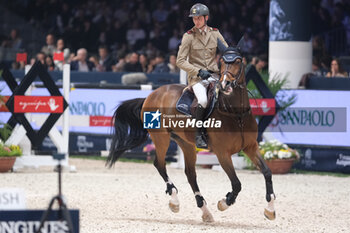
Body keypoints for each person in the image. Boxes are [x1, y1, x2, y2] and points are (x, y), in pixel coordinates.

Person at [176, 3, 228, 149]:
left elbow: (226, 51)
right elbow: (180, 61)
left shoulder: (215, 33)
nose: (196, 21)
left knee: (228, 96)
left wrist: (232, 53)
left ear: (206, 18)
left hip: (214, 75)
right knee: (204, 100)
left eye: (199, 18)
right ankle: (199, 135)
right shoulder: (188, 37)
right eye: (194, 19)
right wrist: (198, 71)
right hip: (197, 78)